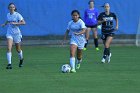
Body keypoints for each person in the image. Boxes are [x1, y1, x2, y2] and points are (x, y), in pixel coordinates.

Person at [1, 3, 26, 69]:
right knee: (9, 48)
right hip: (9, 33)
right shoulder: (8, 14)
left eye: (13, 7)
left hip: (17, 34)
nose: (11, 8)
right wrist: (4, 24)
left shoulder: (17, 15)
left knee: (18, 49)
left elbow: (24, 22)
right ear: (8, 8)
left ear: (14, 8)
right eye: (10, 7)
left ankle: (21, 59)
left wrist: (16, 23)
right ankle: (9, 64)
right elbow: (8, 20)